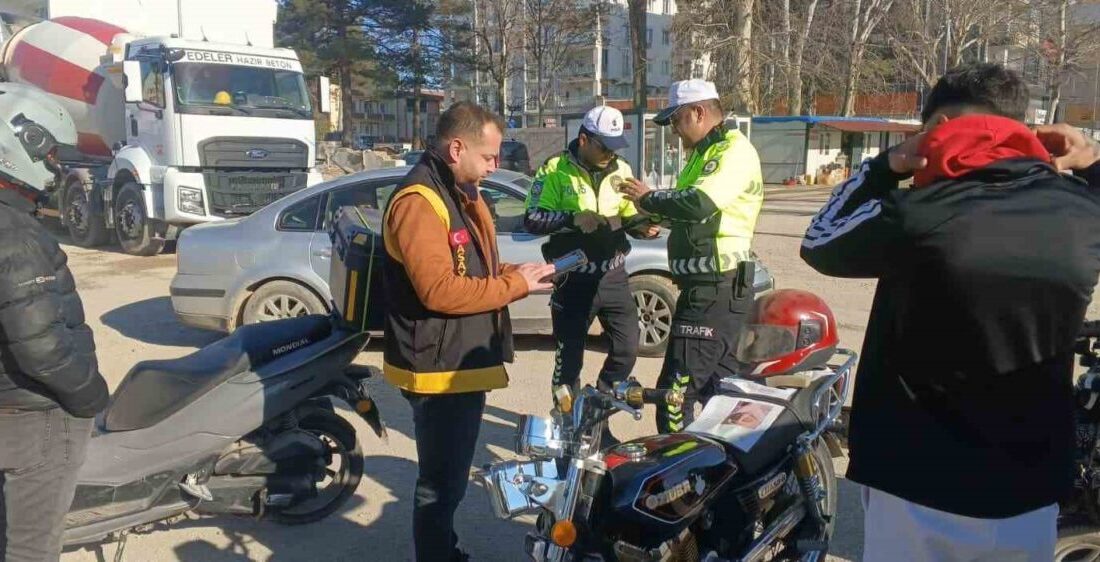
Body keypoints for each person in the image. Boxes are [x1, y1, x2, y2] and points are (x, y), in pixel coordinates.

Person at [799, 63, 1100, 561]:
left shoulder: (917, 214)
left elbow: (820, 241)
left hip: (914, 480)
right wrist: (1091, 164)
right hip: (1028, 483)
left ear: (938, 129)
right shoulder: (1081, 212)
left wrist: (885, 166)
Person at [381, 101, 554, 562]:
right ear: (456, 147)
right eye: (489, 156)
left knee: (449, 479)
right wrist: (512, 286)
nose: (496, 166)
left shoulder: (456, 189)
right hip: (438, 370)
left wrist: (518, 273)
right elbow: (439, 291)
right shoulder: (420, 201)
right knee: (441, 484)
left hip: (457, 361)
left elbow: (472, 267)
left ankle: (444, 550)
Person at [0, 84, 110, 561]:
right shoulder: (18, 237)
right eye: (48, 156)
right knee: (32, 547)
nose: (55, 168)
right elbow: (42, 345)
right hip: (35, 416)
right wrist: (90, 397)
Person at [620, 79, 765, 433]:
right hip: (709, 288)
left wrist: (649, 198)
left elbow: (699, 204)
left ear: (698, 112)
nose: (673, 131)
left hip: (715, 287)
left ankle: (680, 483)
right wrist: (646, 221)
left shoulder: (732, 151)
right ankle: (743, 472)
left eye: (675, 121)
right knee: (725, 392)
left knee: (675, 396)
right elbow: (687, 211)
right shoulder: (702, 156)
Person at [524, 106, 660, 407]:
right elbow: (532, 218)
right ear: (584, 140)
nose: (610, 154)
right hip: (573, 278)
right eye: (604, 147)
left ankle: (598, 409)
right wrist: (572, 218)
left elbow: (628, 218)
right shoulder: (554, 168)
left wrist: (645, 224)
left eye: (615, 147)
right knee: (568, 362)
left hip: (613, 277)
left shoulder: (621, 168)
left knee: (628, 349)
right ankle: (567, 427)